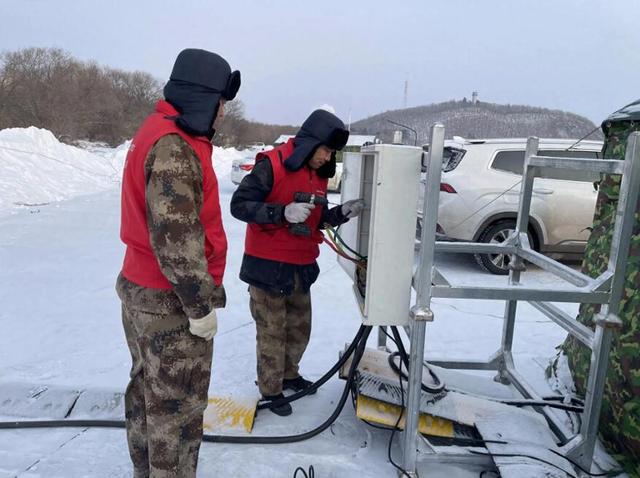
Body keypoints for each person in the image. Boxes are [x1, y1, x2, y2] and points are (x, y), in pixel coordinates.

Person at [116, 48, 240, 477]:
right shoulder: (173, 147)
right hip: (170, 303)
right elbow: (176, 240)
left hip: (145, 292)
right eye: (221, 103)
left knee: (147, 394)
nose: (223, 112)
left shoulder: (162, 132)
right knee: (176, 409)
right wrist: (199, 306)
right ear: (203, 97)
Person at [230, 109, 364, 416]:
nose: (327, 157)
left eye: (332, 152)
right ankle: (271, 390)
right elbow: (239, 206)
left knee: (299, 329)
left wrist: (340, 214)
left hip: (300, 268)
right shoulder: (272, 165)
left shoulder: (317, 175)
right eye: (326, 150)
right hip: (267, 268)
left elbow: (314, 220)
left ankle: (289, 375)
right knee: (272, 333)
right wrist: (281, 212)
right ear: (310, 143)